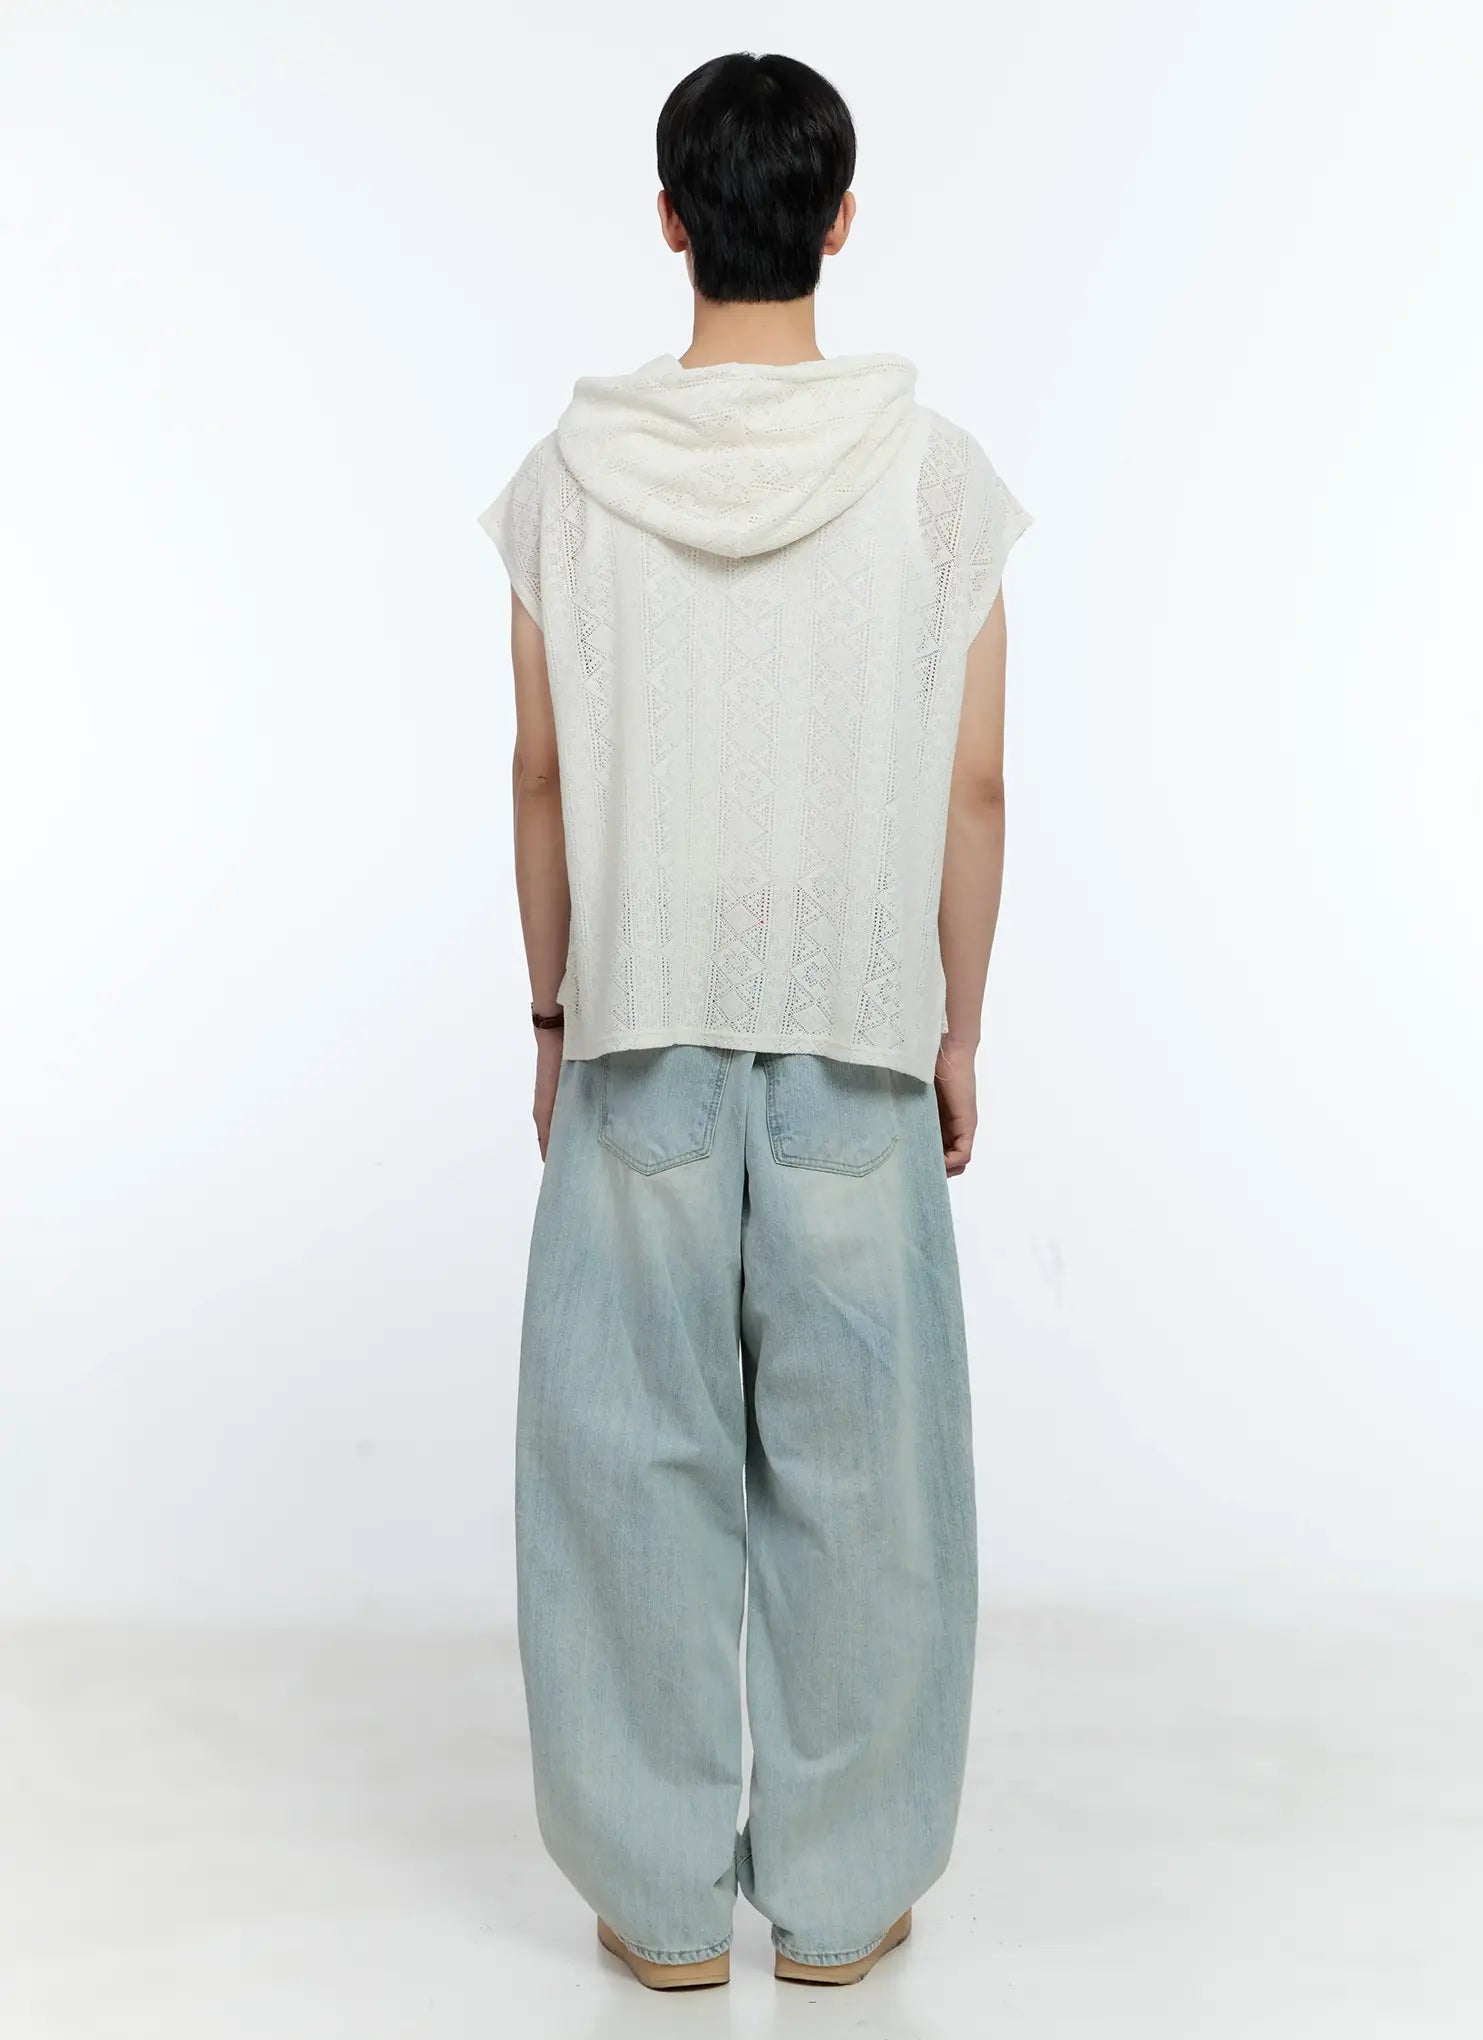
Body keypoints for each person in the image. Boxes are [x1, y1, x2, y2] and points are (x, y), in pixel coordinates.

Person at [478, 49, 1031, 1992]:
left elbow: (539, 777)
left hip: (639, 1035)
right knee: (870, 1488)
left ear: (670, 220)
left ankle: (654, 1904)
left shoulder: (567, 485)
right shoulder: (935, 481)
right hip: (854, 1040)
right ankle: (842, 1894)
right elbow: (976, 791)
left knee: (625, 1474)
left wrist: (552, 1012)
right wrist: (958, 1027)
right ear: (841, 219)